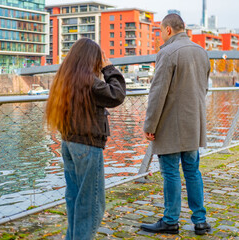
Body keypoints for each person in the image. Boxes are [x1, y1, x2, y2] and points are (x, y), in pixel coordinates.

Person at [45, 38, 126, 240]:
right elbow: (117, 94)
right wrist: (109, 68)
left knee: (74, 199)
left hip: (68, 144)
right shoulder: (90, 83)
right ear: (92, 60)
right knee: (91, 205)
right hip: (87, 146)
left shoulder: (65, 80)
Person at [140, 14, 211, 235]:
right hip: (194, 123)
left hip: (170, 123)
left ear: (168, 30)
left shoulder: (167, 53)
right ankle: (200, 221)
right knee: (192, 171)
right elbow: (203, 88)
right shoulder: (201, 52)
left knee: (170, 172)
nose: (161, 35)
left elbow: (157, 93)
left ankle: (170, 220)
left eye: (161, 31)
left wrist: (149, 125)